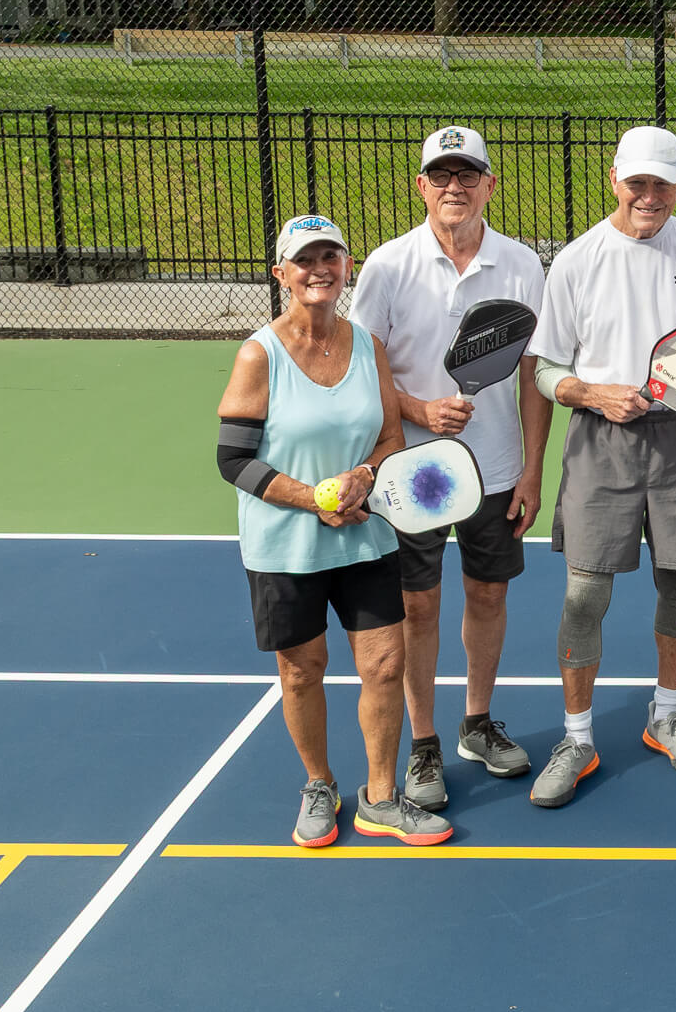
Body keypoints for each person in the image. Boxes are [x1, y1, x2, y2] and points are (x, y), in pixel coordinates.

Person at [213, 213, 452, 848]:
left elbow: (392, 436)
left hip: (366, 537)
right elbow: (233, 459)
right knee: (302, 670)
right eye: (305, 260)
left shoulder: (368, 346)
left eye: (330, 257)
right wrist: (314, 499)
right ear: (281, 274)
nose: (319, 269)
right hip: (285, 546)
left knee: (386, 665)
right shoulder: (259, 354)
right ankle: (319, 784)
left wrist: (365, 477)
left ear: (347, 267)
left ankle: (380, 797)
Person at [526, 125, 676, 808]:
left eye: (661, 184)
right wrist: (592, 393)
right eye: (637, 182)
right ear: (613, 179)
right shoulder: (577, 260)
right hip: (600, 439)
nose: (649, 196)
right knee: (585, 594)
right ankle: (576, 738)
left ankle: (665, 716)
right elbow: (546, 370)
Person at [348, 127, 550, 813]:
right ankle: (425, 741)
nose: (454, 187)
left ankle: (477, 722)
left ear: (490, 184)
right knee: (418, 604)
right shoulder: (388, 266)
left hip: (495, 470)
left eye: (467, 175)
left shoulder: (521, 265)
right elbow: (367, 368)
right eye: (441, 175)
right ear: (422, 186)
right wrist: (418, 409)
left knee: (488, 596)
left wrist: (531, 471)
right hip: (413, 475)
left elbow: (532, 377)